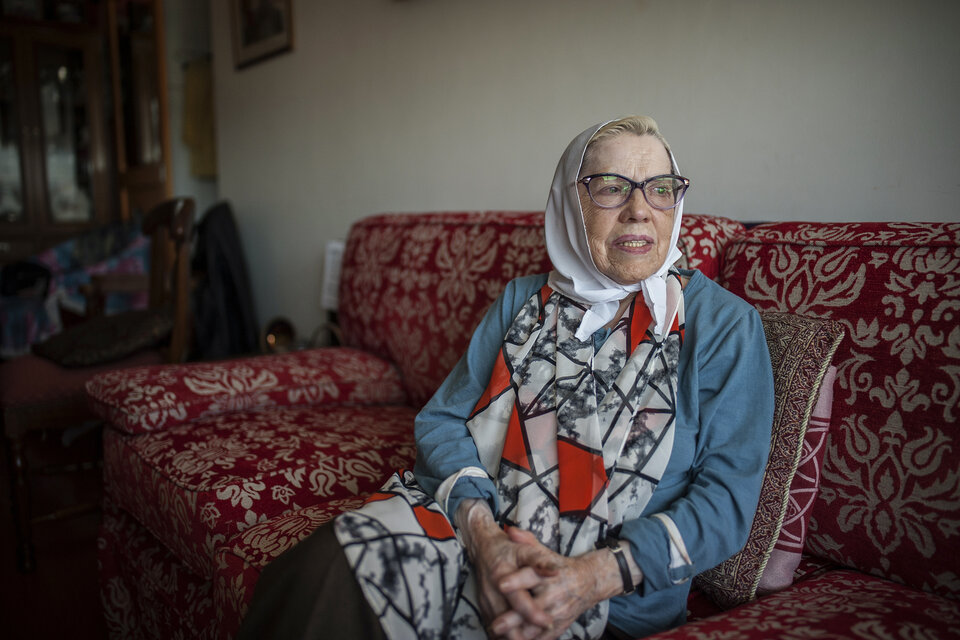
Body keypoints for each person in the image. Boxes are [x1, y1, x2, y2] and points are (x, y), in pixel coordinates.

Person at [237, 116, 774, 640]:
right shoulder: (523, 303)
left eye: (660, 189)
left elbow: (726, 504)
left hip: (614, 598)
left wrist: (585, 580)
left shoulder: (723, 326)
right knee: (324, 569)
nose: (639, 210)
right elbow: (443, 422)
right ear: (571, 203)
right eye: (611, 188)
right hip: (471, 540)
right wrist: (485, 541)